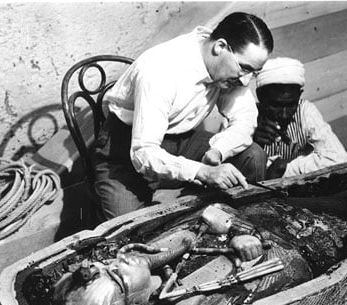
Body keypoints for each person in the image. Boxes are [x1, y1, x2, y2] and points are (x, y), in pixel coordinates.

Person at [91, 12, 273, 220]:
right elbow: (144, 153)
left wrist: (219, 150)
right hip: (126, 152)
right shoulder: (161, 69)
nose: (245, 81)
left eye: (254, 73)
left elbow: (245, 118)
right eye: (244, 69)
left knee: (253, 155)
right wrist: (202, 171)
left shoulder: (229, 69)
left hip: (181, 141)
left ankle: (246, 225)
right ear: (220, 47)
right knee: (132, 231)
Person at [253, 57, 347, 180]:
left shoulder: (305, 111)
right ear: (260, 96)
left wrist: (284, 167)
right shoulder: (247, 116)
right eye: (275, 105)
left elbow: (340, 160)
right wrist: (253, 145)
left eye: (290, 105)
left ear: (299, 95)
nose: (284, 115)